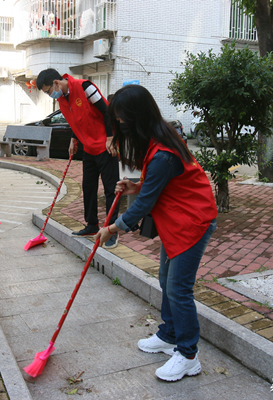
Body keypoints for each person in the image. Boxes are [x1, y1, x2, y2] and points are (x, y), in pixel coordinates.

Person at [95, 85, 218, 381]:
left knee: (178, 288)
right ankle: (170, 335)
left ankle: (189, 355)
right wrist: (137, 186)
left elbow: (143, 206)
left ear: (137, 116)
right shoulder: (158, 138)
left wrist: (112, 229)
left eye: (122, 120)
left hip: (193, 222)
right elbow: (157, 187)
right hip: (177, 220)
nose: (120, 125)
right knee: (166, 280)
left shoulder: (162, 152)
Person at [36, 69, 121, 249]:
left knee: (110, 189)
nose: (50, 95)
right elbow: (77, 120)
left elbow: (107, 112)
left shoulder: (85, 87)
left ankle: (112, 230)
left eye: (48, 91)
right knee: (88, 187)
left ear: (56, 83)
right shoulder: (62, 99)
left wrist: (109, 138)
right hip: (88, 148)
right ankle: (92, 225)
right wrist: (73, 139)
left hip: (105, 147)